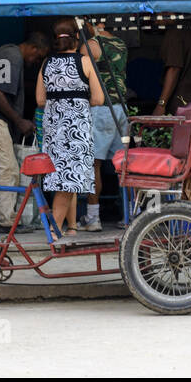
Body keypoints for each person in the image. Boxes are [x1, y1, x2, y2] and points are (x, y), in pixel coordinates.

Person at [0, 31, 49, 230]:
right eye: (38, 57)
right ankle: (6, 220)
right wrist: (19, 121)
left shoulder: (8, 52)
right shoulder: (12, 57)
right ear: (33, 48)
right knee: (9, 169)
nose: (35, 62)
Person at [36, 18, 104, 241]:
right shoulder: (84, 62)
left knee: (61, 181)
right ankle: (54, 233)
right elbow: (98, 98)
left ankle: (64, 228)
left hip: (54, 130)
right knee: (69, 182)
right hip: (77, 130)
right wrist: (78, 99)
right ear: (77, 37)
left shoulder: (46, 63)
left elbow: (39, 99)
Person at [77, 19, 129, 231]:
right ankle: (128, 216)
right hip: (120, 109)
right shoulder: (121, 44)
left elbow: (81, 77)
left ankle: (92, 216)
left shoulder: (90, 45)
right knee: (122, 165)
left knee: (93, 164)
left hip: (99, 108)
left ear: (91, 23)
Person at [151, 16, 191, 117]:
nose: (154, 20)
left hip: (181, 102)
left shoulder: (175, 33)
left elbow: (174, 68)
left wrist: (161, 104)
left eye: (156, 14)